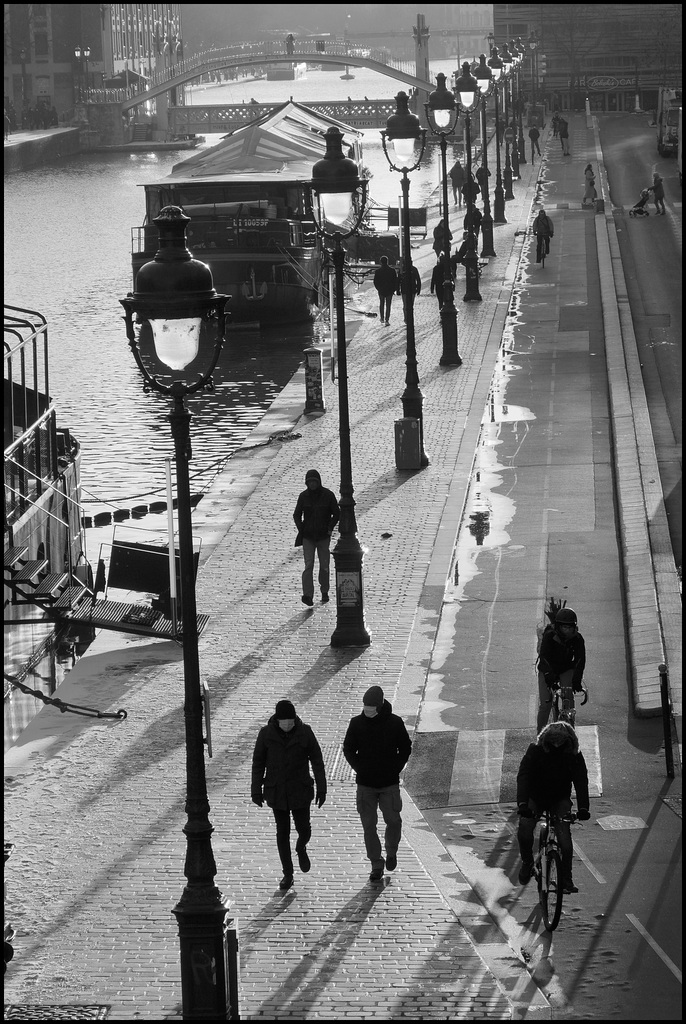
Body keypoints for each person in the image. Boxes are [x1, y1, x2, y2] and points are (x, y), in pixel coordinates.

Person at [251, 699, 327, 891]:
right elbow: (258, 763)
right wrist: (256, 789)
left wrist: (322, 787)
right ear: (277, 720)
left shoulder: (305, 732)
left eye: (290, 720)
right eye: (284, 720)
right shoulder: (266, 734)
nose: (287, 724)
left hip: (300, 790)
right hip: (277, 792)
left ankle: (301, 847)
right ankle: (288, 873)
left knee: (304, 829)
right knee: (282, 833)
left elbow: (317, 761)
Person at [343, 685, 412, 882]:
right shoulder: (356, 724)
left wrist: (396, 767)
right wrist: (359, 768)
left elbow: (405, 747)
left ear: (379, 707)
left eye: (371, 707)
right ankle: (376, 864)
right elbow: (348, 749)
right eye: (365, 706)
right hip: (365, 785)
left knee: (393, 820)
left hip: (388, 783)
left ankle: (391, 851)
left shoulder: (394, 723)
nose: (367, 710)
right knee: (368, 826)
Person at [516, 721, 591, 894]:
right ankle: (527, 862)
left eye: (561, 744)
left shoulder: (574, 755)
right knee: (525, 828)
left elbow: (581, 781)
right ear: (546, 741)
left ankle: (566, 879)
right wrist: (523, 804)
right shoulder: (535, 751)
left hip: (559, 798)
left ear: (569, 742)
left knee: (564, 838)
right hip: (536, 797)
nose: (557, 747)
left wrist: (583, 808)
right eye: (553, 743)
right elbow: (524, 776)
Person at [293, 469, 339, 606]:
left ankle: (324, 591)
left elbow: (337, 513)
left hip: (323, 537)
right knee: (309, 566)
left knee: (324, 565)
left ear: (318, 482)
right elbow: (296, 514)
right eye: (310, 482)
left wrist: (329, 528)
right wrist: (301, 528)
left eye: (314, 482)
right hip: (308, 537)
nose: (312, 484)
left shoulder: (328, 495)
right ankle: (308, 595)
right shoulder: (303, 496)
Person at [536, 606, 586, 731]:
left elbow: (580, 660)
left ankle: (570, 730)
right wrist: (549, 677)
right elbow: (544, 657)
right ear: (558, 626)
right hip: (548, 669)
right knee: (545, 704)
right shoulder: (549, 636)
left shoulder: (578, 639)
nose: (567, 630)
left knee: (568, 699)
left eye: (570, 627)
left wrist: (577, 680)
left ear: (574, 627)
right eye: (564, 627)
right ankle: (540, 735)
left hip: (565, 668)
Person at [373, 255, 398, 325]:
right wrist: (394, 289)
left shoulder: (378, 271)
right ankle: (387, 319)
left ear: (381, 262)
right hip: (389, 290)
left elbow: (375, 282)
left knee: (381, 304)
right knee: (388, 305)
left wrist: (378, 288)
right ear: (387, 261)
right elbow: (395, 281)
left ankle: (382, 318)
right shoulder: (392, 270)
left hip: (381, 290)